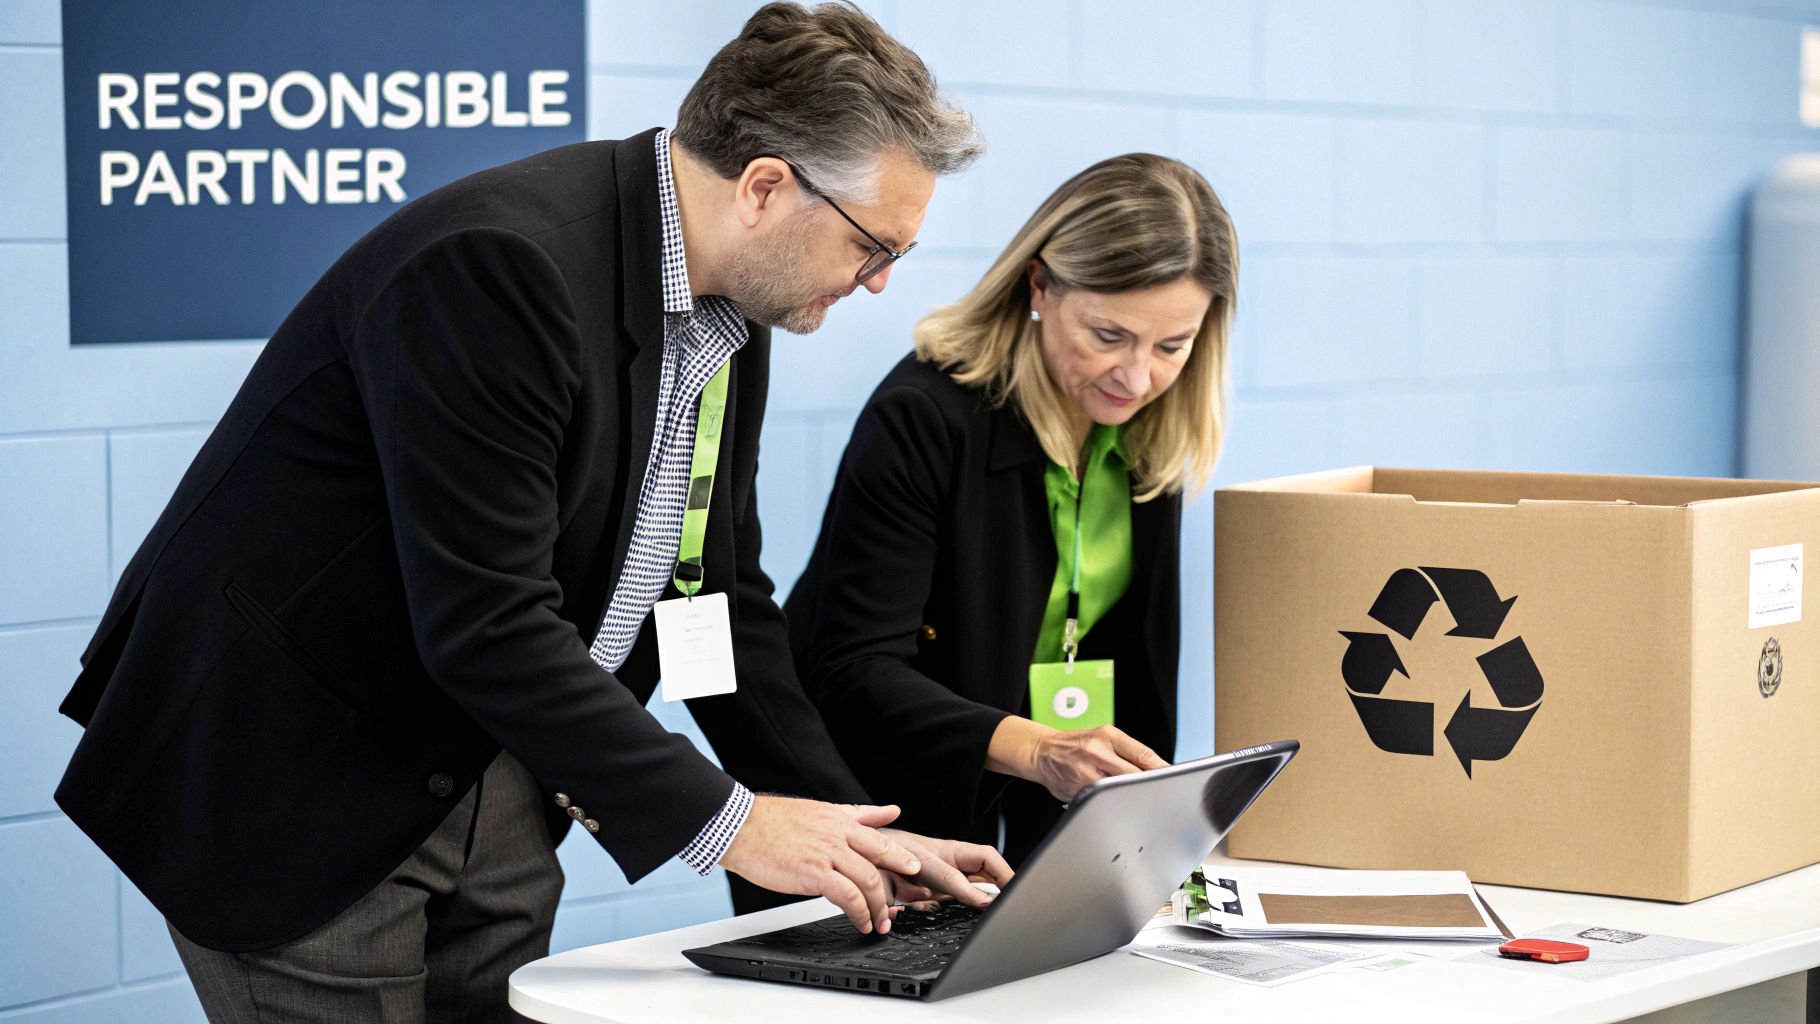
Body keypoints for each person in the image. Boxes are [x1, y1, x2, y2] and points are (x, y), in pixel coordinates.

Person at [52, 4, 1012, 1020]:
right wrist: (734, 825)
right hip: (303, 776)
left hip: (498, 764)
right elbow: (486, 619)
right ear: (765, 187)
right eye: (873, 246)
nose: (879, 283)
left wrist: (851, 831)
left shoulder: (739, 302)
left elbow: (714, 597)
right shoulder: (501, 262)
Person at [786, 153, 1238, 867]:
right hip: (863, 803)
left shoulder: (1150, 433)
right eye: (1109, 336)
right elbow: (853, 668)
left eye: (1172, 346)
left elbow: (1131, 667)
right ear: (1040, 287)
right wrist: (1040, 750)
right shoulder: (924, 416)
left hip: (1035, 802)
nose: (1136, 376)